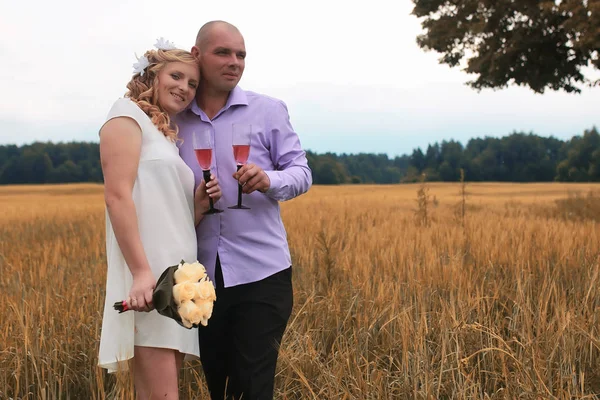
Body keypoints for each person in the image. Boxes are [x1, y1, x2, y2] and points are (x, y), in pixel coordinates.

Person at [176, 21, 313, 400]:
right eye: (223, 53)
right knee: (219, 385)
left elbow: (302, 173)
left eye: (241, 54)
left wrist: (268, 180)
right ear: (196, 56)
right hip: (197, 277)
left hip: (262, 271)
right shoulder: (172, 118)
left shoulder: (268, 111)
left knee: (254, 384)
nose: (234, 62)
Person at [97, 40, 222, 400]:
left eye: (193, 84)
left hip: (179, 283)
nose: (185, 88)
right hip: (151, 280)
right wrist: (140, 272)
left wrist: (196, 206)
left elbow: (166, 213)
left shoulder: (165, 138)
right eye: (177, 76)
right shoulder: (125, 115)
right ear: (151, 75)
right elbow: (117, 196)